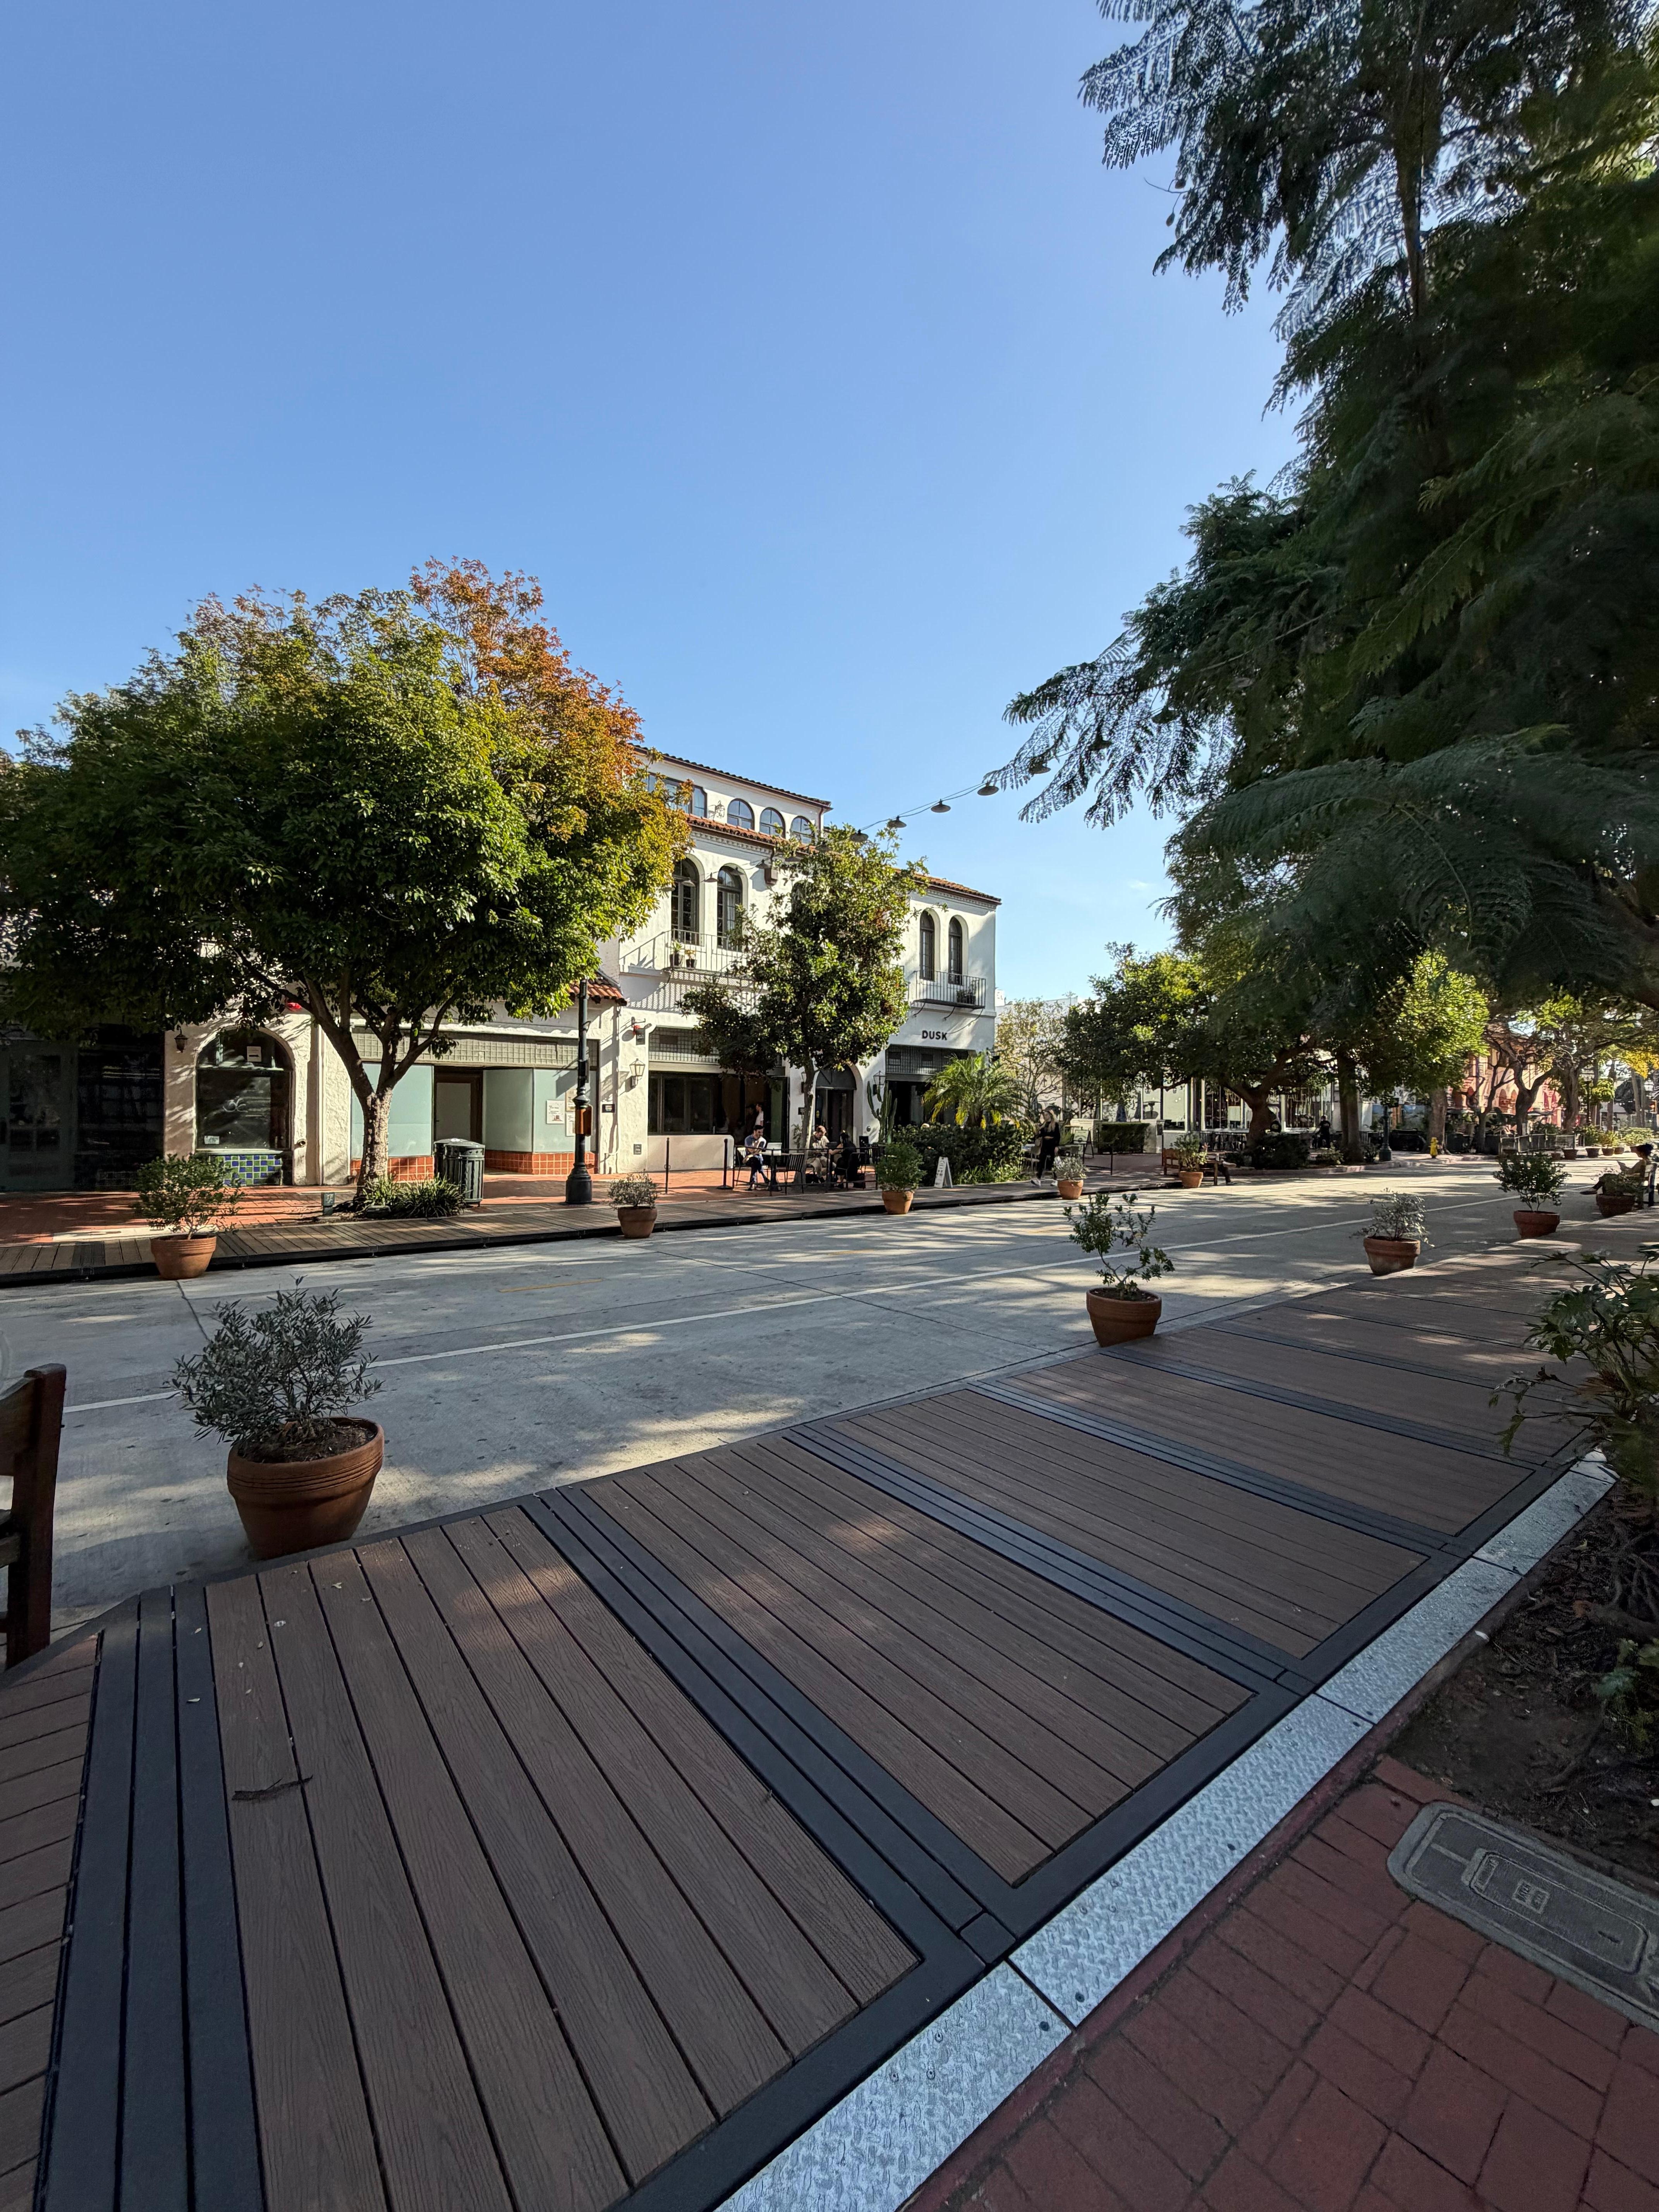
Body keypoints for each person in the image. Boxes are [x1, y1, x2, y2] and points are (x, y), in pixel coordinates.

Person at [1035, 1110, 1060, 1181]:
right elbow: (1041, 1134)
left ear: (1050, 1115)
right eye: (1045, 1115)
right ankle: (1039, 1177)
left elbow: (1058, 1136)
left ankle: (1055, 1177)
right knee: (1042, 1160)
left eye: (1047, 1115)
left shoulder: (1055, 1125)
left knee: (1053, 1161)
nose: (1045, 1117)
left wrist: (1057, 1146)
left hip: (1052, 1143)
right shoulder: (1044, 1124)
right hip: (1045, 1143)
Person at [743, 1126, 769, 1191]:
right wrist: (758, 1142)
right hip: (749, 1159)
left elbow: (758, 1152)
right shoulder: (748, 1139)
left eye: (762, 1132)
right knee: (755, 1160)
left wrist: (755, 1152)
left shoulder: (763, 1141)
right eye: (759, 1132)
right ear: (755, 1132)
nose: (761, 1134)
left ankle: (753, 1183)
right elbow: (751, 1151)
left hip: (758, 1159)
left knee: (756, 1161)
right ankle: (764, 1177)